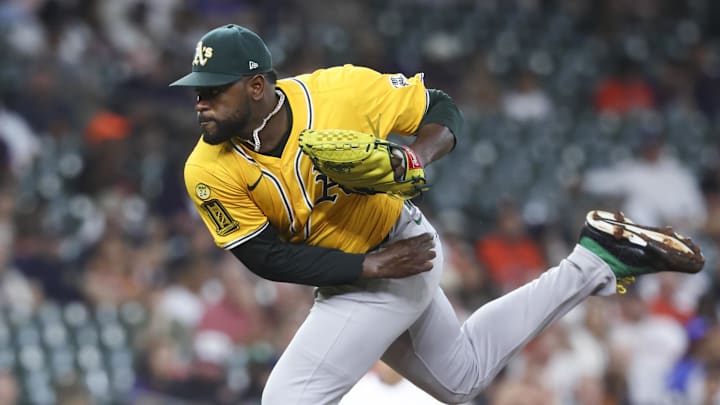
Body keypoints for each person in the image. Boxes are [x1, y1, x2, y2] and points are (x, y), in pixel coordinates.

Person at [169, 24, 704, 404]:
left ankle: (594, 262)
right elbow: (265, 257)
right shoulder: (207, 168)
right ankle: (596, 259)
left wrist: (415, 156)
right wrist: (366, 270)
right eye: (197, 94)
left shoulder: (340, 91)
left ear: (257, 86)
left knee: (287, 399)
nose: (201, 104)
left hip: (394, 251)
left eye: (213, 93)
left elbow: (441, 107)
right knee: (463, 377)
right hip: (370, 270)